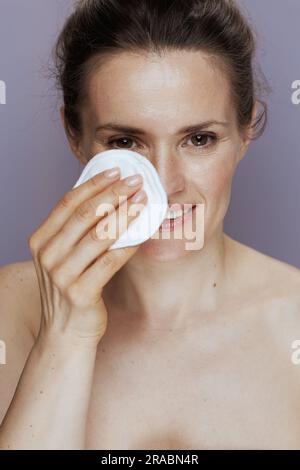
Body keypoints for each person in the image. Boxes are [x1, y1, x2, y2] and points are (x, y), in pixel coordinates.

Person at [0, 0, 300, 450]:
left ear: (244, 133)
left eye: (200, 139)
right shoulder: (9, 310)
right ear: (74, 136)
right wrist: (64, 338)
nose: (165, 185)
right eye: (125, 141)